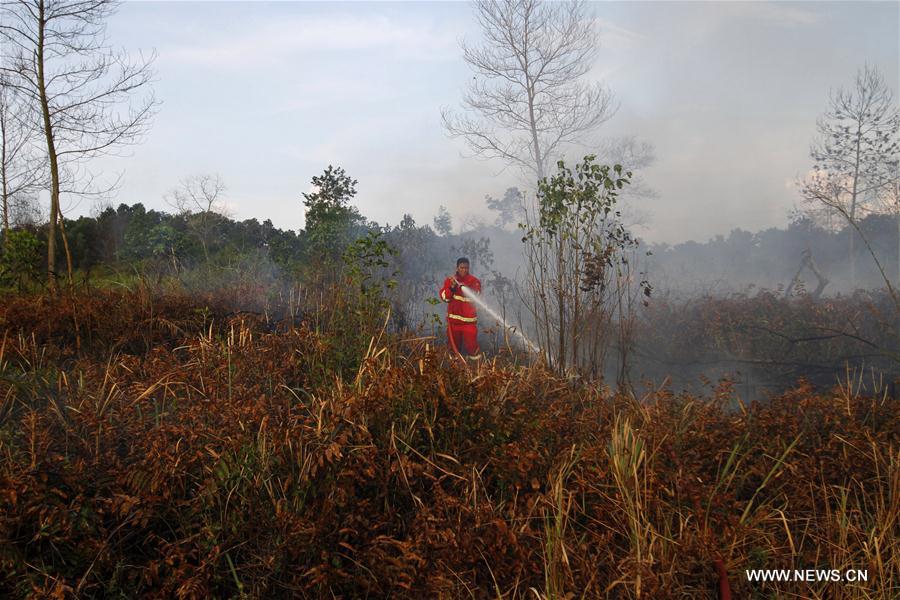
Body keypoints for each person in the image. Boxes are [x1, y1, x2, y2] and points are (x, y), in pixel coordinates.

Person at [439, 257, 482, 359]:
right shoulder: (450, 281)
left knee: (473, 348)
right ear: (457, 268)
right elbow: (445, 297)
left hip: (469, 323)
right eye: (462, 267)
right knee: (453, 350)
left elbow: (477, 295)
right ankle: (455, 371)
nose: (464, 270)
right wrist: (452, 288)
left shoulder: (474, 281)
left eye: (466, 268)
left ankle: (475, 370)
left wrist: (466, 287)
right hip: (454, 322)